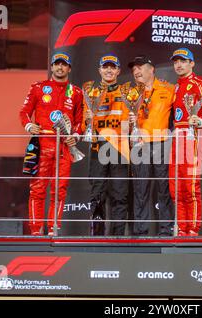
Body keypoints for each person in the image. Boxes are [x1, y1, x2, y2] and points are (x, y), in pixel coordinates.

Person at [19, 52, 83, 236]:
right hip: (42, 143)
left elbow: (80, 122)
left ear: (69, 68)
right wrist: (28, 125)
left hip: (64, 147)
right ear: (52, 66)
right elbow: (24, 112)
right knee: (38, 188)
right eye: (57, 64)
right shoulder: (38, 88)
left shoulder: (76, 92)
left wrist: (76, 137)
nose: (60, 67)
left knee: (60, 190)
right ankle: (35, 231)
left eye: (64, 64)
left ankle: (54, 229)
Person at [169, 48, 202, 236]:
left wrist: (201, 121)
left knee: (190, 186)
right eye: (176, 62)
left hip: (194, 135)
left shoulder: (201, 84)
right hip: (177, 137)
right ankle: (181, 229)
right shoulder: (175, 87)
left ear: (192, 63)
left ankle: (193, 230)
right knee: (176, 187)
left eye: (183, 61)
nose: (179, 65)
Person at [81, 54, 130, 236]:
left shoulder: (126, 93)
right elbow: (83, 124)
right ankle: (97, 235)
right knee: (97, 192)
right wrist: (87, 122)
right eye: (105, 67)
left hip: (119, 148)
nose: (109, 70)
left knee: (120, 194)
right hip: (97, 146)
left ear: (118, 70)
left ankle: (118, 237)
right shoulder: (90, 93)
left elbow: (128, 122)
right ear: (99, 70)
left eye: (112, 67)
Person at [127, 55, 175, 236]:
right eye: (133, 69)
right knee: (140, 189)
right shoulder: (130, 93)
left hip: (163, 144)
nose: (136, 71)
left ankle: (167, 229)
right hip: (140, 145)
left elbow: (179, 116)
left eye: (139, 67)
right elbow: (125, 123)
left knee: (164, 188)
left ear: (151, 69)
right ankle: (140, 231)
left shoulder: (169, 89)